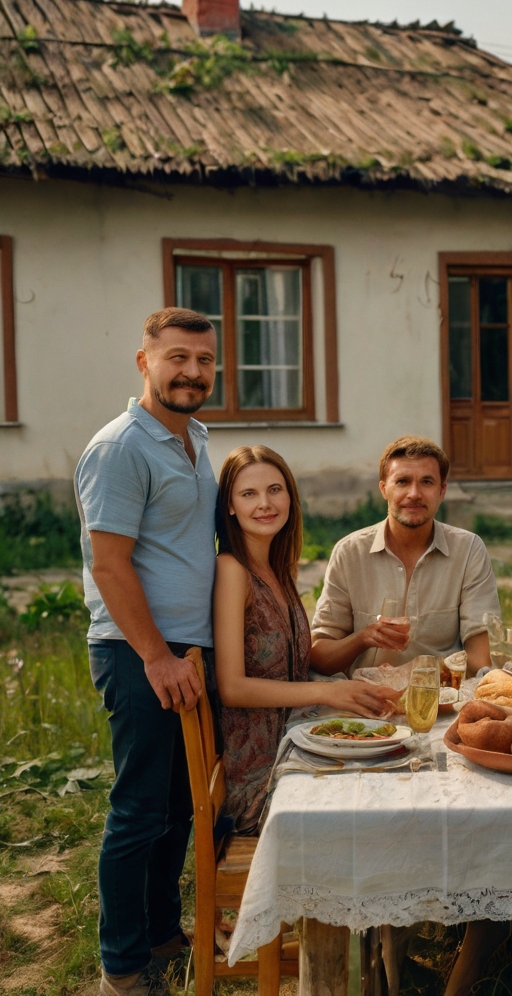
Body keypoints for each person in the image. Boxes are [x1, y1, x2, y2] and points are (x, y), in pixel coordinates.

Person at [77, 308, 219, 996]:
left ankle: (164, 932)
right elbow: (110, 566)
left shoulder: (195, 436)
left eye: (204, 360)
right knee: (138, 810)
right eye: (178, 358)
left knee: (180, 806)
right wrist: (157, 657)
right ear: (145, 363)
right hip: (139, 655)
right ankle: (123, 969)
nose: (192, 372)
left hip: (187, 652)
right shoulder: (120, 447)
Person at [213, 445, 400, 834]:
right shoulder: (232, 569)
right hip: (261, 782)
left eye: (275, 490)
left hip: (299, 744)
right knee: (383, 802)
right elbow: (231, 688)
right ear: (229, 506)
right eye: (248, 494)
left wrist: (359, 666)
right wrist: (326, 694)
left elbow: (297, 661)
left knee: (402, 768)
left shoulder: (279, 568)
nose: (265, 503)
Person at [310, 435, 500, 677]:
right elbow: (319, 655)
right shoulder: (349, 553)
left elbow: (480, 659)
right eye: (402, 481)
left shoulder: (468, 550)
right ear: (384, 489)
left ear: (442, 491)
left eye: (427, 482)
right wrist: (364, 637)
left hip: (443, 699)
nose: (414, 493)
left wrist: (415, 677)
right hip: (365, 703)